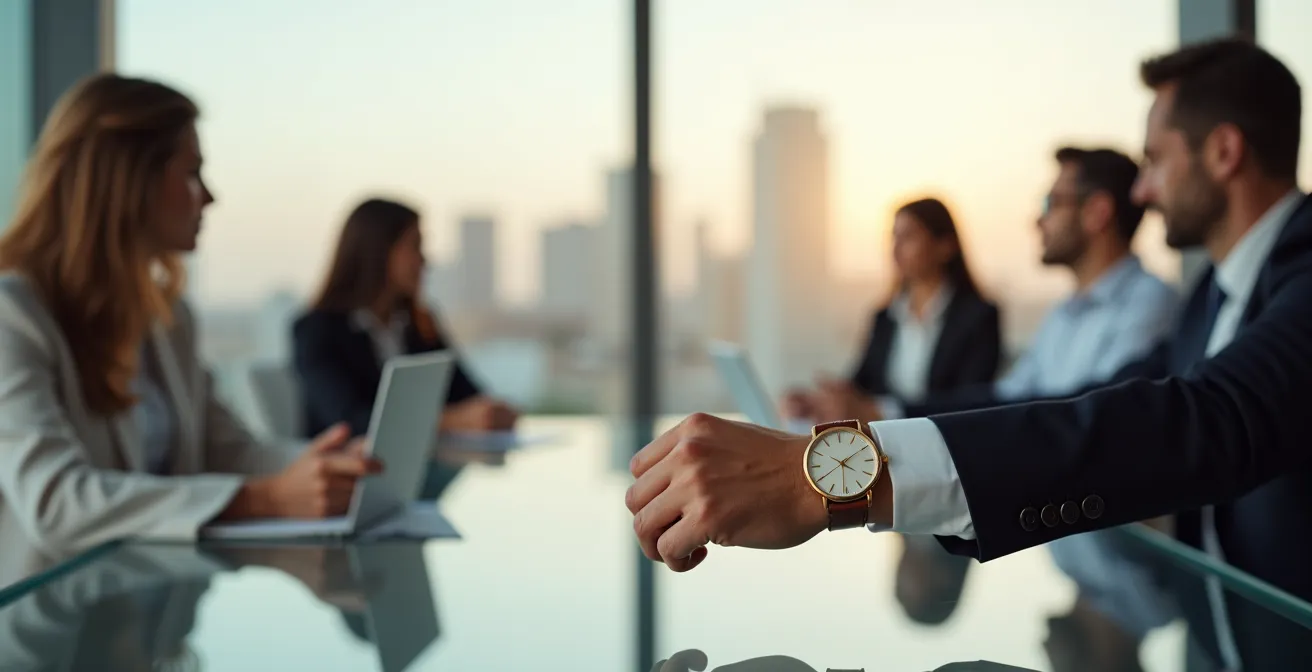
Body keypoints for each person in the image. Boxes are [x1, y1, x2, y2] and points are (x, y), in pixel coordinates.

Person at [626, 39, 1310, 670]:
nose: (1141, 191)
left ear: (1222, 153)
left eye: (1155, 162)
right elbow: (1083, 406)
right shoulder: (1210, 301)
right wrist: (866, 427)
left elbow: (1206, 420)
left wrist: (830, 477)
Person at [0, 74, 382, 564]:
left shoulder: (168, 319)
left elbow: (228, 451)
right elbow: (56, 504)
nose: (209, 196)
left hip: (149, 609)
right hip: (46, 622)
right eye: (191, 173)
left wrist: (326, 469)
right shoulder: (14, 314)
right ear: (126, 181)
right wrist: (266, 499)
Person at [796, 148, 1177, 424]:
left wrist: (884, 411)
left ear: (1097, 213)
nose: (1037, 221)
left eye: (1050, 203)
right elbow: (1006, 398)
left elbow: (1086, 410)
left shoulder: (1149, 304)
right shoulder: (1064, 314)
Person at [293, 197, 518, 439]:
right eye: (415, 246)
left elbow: (466, 393)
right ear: (378, 251)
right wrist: (449, 420)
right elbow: (348, 422)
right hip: (348, 472)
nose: (424, 260)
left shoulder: (419, 323)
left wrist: (491, 411)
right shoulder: (317, 330)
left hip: (427, 465)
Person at [782, 198, 1001, 416]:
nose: (895, 249)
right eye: (894, 237)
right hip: (882, 440)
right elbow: (862, 384)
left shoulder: (979, 317)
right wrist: (819, 402)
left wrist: (886, 410)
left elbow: (971, 403)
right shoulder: (885, 317)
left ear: (945, 246)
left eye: (909, 237)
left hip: (942, 442)